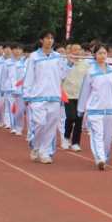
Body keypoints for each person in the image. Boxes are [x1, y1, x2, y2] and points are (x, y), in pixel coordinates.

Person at [22, 30, 72, 164]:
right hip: (38, 96)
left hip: (54, 96)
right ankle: (35, 145)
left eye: (51, 38)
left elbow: (62, 75)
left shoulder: (58, 57)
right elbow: (29, 76)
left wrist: (69, 64)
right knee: (39, 123)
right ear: (41, 40)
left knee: (50, 126)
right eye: (47, 38)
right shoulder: (34, 57)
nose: (50, 40)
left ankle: (45, 152)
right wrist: (27, 94)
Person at [78, 42, 112, 170]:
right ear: (95, 55)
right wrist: (81, 109)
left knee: (107, 137)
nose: (103, 55)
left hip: (110, 109)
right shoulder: (90, 72)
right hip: (94, 109)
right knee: (97, 135)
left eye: (104, 53)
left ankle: (104, 156)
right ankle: (100, 158)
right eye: (100, 53)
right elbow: (85, 91)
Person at [62, 43, 89, 152]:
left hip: (81, 96)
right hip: (68, 94)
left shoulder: (86, 64)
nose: (77, 52)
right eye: (75, 50)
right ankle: (66, 138)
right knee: (71, 117)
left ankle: (76, 143)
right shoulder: (65, 63)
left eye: (79, 50)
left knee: (79, 120)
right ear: (70, 51)